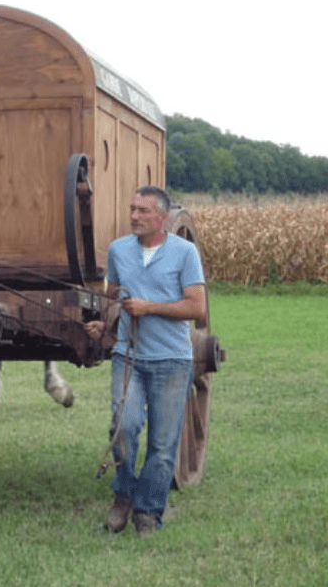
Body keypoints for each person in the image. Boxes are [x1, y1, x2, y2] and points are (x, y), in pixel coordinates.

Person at [85, 186, 206, 536]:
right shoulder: (119, 250)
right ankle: (123, 496)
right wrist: (103, 322)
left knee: (163, 445)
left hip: (172, 360)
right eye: (132, 209)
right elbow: (113, 300)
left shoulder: (184, 253)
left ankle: (148, 512)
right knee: (123, 426)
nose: (134, 216)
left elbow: (196, 307)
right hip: (129, 357)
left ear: (162, 218)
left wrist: (149, 307)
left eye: (143, 211)